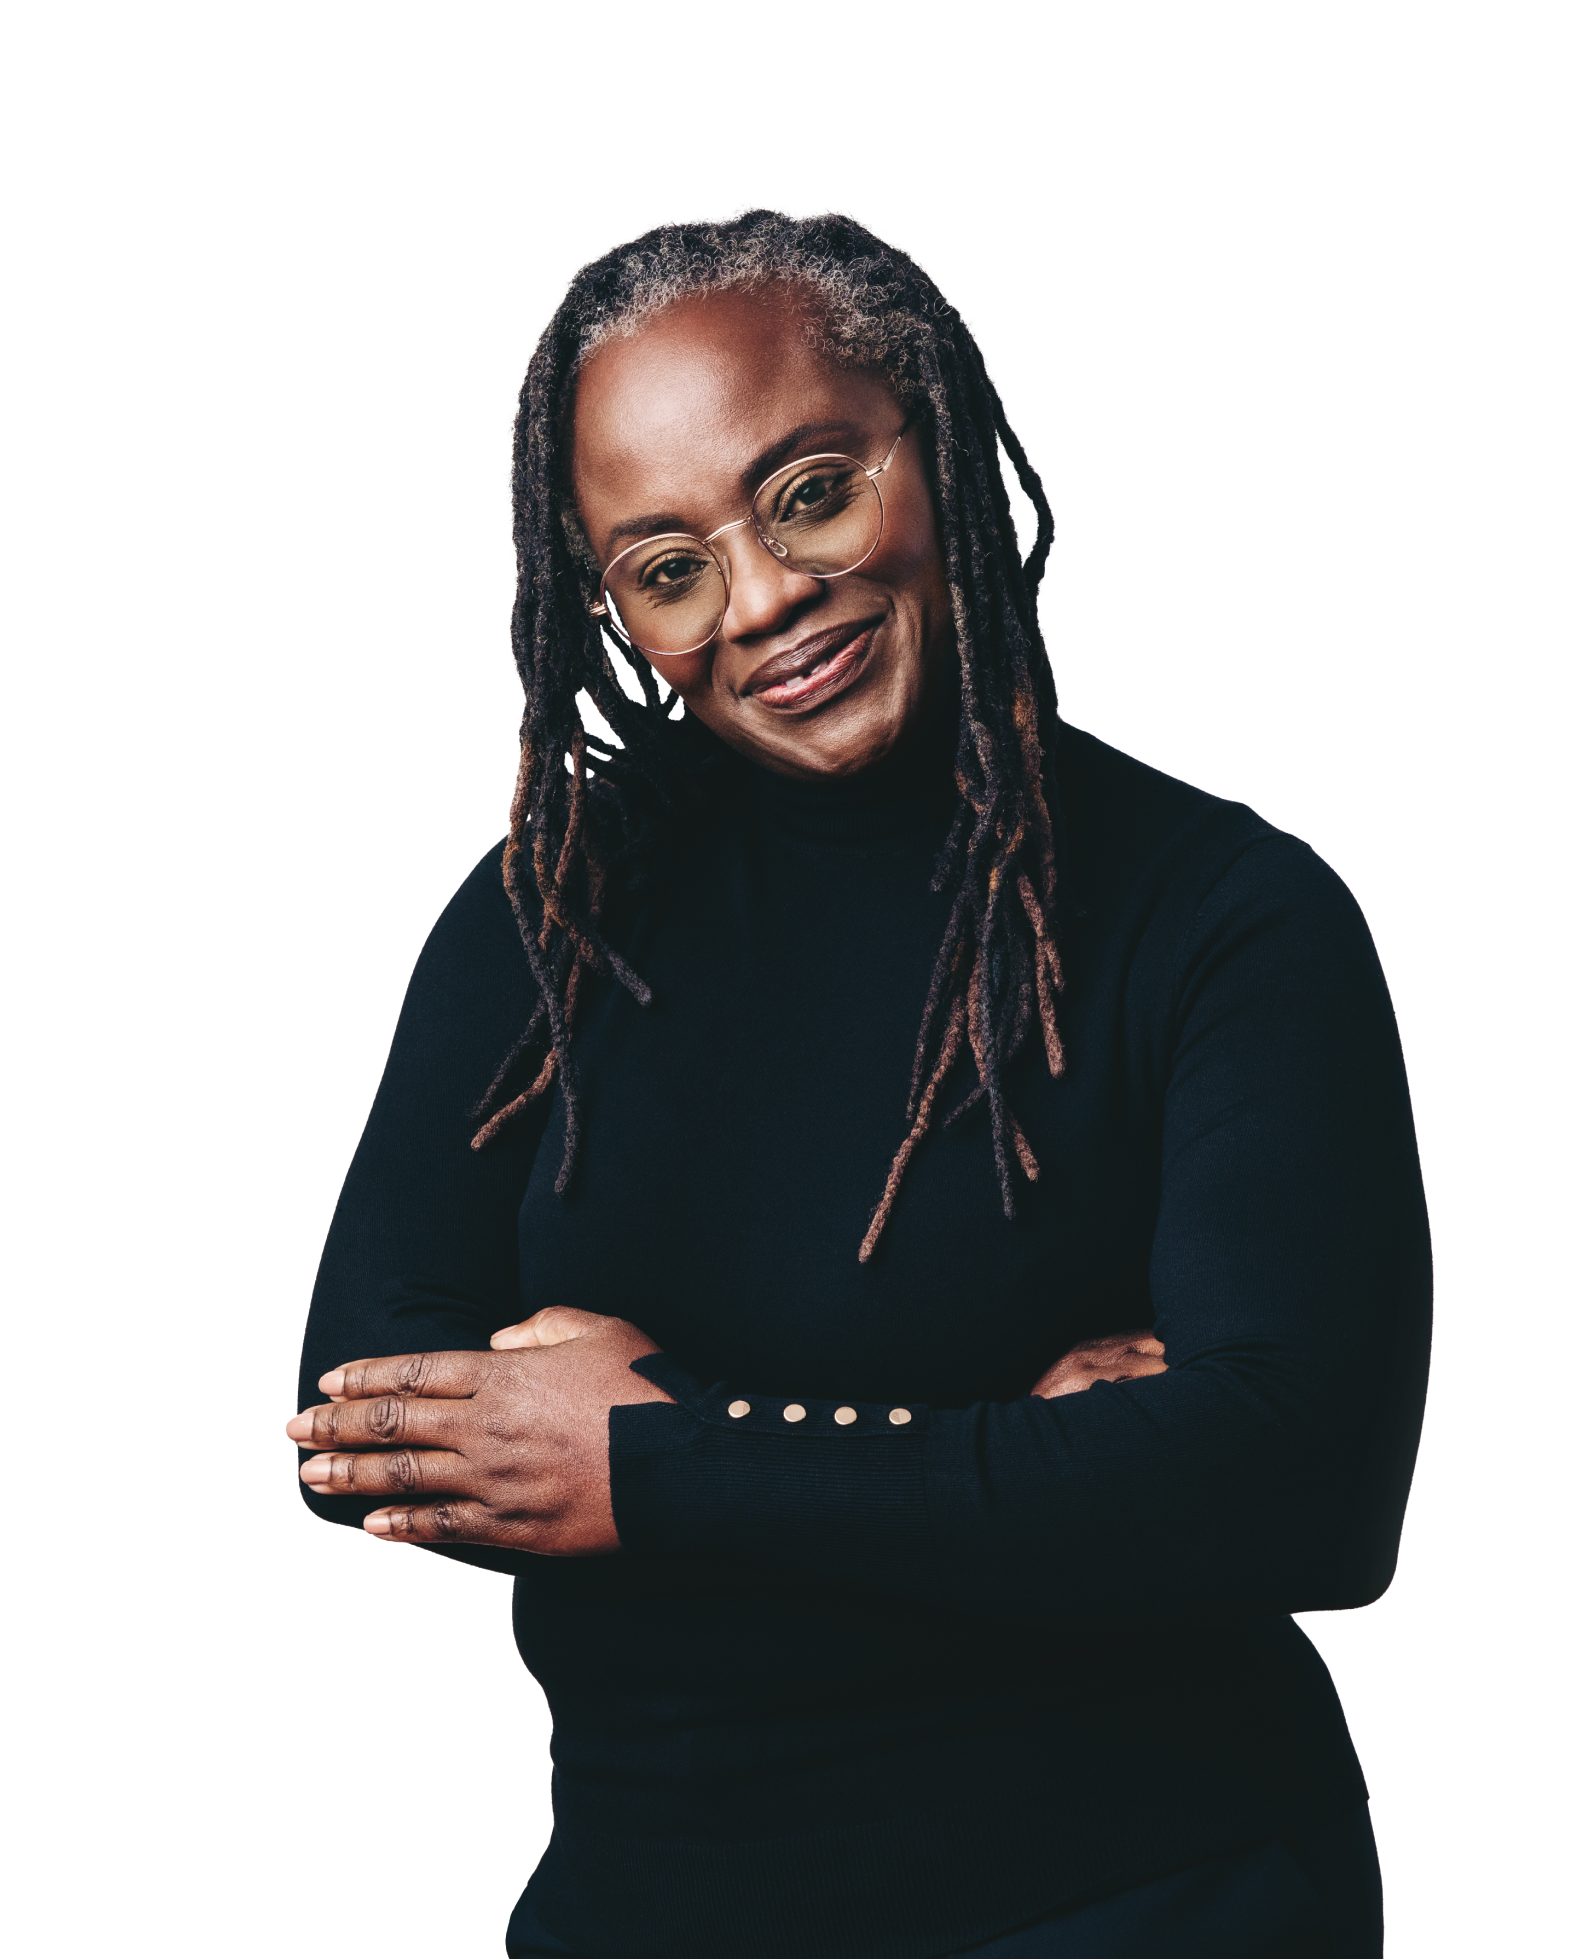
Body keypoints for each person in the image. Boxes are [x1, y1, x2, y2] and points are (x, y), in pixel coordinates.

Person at [290, 205, 1428, 1958]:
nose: (762, 601)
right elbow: (363, 1431)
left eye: (809, 491)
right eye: (666, 566)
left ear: (939, 443)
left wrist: (645, 1456)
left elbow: (1296, 1493)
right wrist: (1042, 1469)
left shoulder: (1229, 916)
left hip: (1135, 1895)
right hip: (643, 1909)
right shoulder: (555, 909)